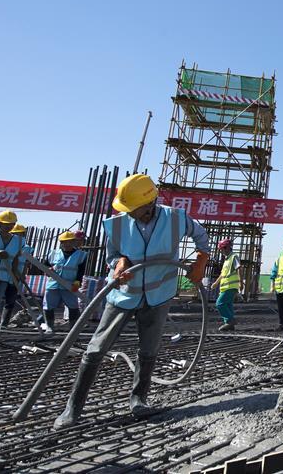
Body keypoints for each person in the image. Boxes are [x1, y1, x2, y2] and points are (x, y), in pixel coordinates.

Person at [54, 174, 209, 428]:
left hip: (159, 296)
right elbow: (112, 255)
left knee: (148, 349)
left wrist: (201, 260)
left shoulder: (176, 218)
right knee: (96, 348)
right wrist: (119, 263)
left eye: (133, 207)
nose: (129, 212)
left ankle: (139, 400)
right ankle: (73, 409)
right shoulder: (116, 224)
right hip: (123, 294)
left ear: (150, 203)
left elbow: (201, 237)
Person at [42, 231, 88, 333]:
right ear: (61, 243)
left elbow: (81, 271)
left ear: (73, 242)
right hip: (53, 284)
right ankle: (49, 326)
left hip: (70, 285)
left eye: (69, 242)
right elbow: (44, 266)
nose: (67, 244)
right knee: (48, 306)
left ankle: (72, 328)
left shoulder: (81, 255)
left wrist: (77, 283)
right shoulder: (52, 253)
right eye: (64, 242)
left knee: (73, 306)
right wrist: (48, 270)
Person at [0, 210, 24, 336]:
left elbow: (15, 259)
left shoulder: (19, 241)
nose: (9, 226)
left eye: (11, 224)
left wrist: (16, 274)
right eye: (6, 224)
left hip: (3, 277)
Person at [211, 239, 240, 331]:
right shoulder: (227, 260)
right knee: (228, 305)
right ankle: (229, 324)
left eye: (221, 249)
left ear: (226, 248)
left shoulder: (234, 257)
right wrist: (216, 283)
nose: (221, 252)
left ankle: (229, 321)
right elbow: (223, 274)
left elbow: (239, 268)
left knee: (220, 303)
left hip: (231, 287)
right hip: (226, 287)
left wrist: (241, 283)